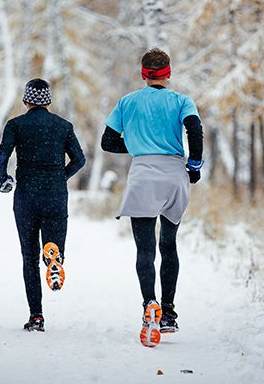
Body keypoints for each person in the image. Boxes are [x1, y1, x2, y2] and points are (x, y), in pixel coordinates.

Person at [101, 48, 203, 347]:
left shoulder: (127, 102)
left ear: (143, 74)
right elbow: (195, 129)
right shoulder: (181, 100)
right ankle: (169, 313)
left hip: (143, 174)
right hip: (174, 175)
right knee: (168, 245)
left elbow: (108, 142)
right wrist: (194, 164)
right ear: (168, 73)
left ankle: (150, 305)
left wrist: (136, 145)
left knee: (145, 249)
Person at [0, 78, 85, 332]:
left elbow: (3, 154)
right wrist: (60, 176)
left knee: (28, 256)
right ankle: (54, 256)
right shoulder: (63, 126)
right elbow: (79, 159)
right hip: (55, 194)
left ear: (26, 101)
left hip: (26, 196)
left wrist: (3, 178)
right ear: (48, 102)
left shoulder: (16, 125)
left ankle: (36, 316)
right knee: (53, 243)